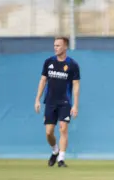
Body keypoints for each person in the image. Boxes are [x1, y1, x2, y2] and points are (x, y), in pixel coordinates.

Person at [34, 37, 80, 167]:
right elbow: (43, 81)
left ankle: (61, 159)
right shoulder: (49, 62)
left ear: (65, 47)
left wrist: (75, 104)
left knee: (63, 128)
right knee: (49, 132)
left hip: (65, 102)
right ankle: (55, 150)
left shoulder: (72, 65)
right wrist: (37, 99)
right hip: (50, 102)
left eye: (58, 45)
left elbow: (76, 85)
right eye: (54, 45)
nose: (55, 48)